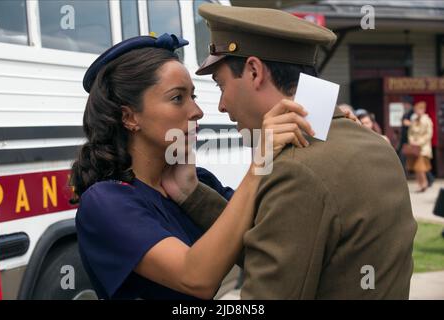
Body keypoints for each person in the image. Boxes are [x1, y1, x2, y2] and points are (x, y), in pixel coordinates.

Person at [166, 4, 417, 299]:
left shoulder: (297, 168)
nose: (221, 105)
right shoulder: (375, 144)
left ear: (254, 71)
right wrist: (194, 195)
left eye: (221, 86)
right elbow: (283, 249)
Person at [72, 33, 315, 300]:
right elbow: (196, 278)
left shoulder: (195, 181)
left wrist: (332, 127)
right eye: (178, 98)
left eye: (193, 96)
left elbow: (273, 239)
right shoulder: (106, 202)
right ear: (129, 117)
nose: (197, 111)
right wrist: (260, 164)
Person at [407, 101, 433, 193]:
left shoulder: (427, 120)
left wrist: (419, 142)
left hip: (423, 148)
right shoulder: (414, 120)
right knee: (416, 168)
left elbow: (429, 134)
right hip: (414, 148)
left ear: (423, 110)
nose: (417, 111)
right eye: (416, 109)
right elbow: (410, 132)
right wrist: (411, 140)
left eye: (419, 109)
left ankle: (424, 184)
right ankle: (420, 184)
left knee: (420, 167)